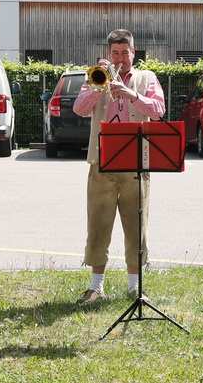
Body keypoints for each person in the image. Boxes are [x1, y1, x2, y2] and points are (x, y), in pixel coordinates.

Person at [71, 28, 165, 304]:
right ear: (108, 54)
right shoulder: (96, 76)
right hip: (102, 161)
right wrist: (98, 84)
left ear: (134, 53)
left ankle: (135, 286)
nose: (121, 58)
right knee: (98, 224)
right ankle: (96, 286)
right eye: (115, 53)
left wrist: (130, 93)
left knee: (136, 225)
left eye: (125, 53)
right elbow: (79, 108)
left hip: (137, 162)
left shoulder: (147, 78)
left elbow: (158, 111)